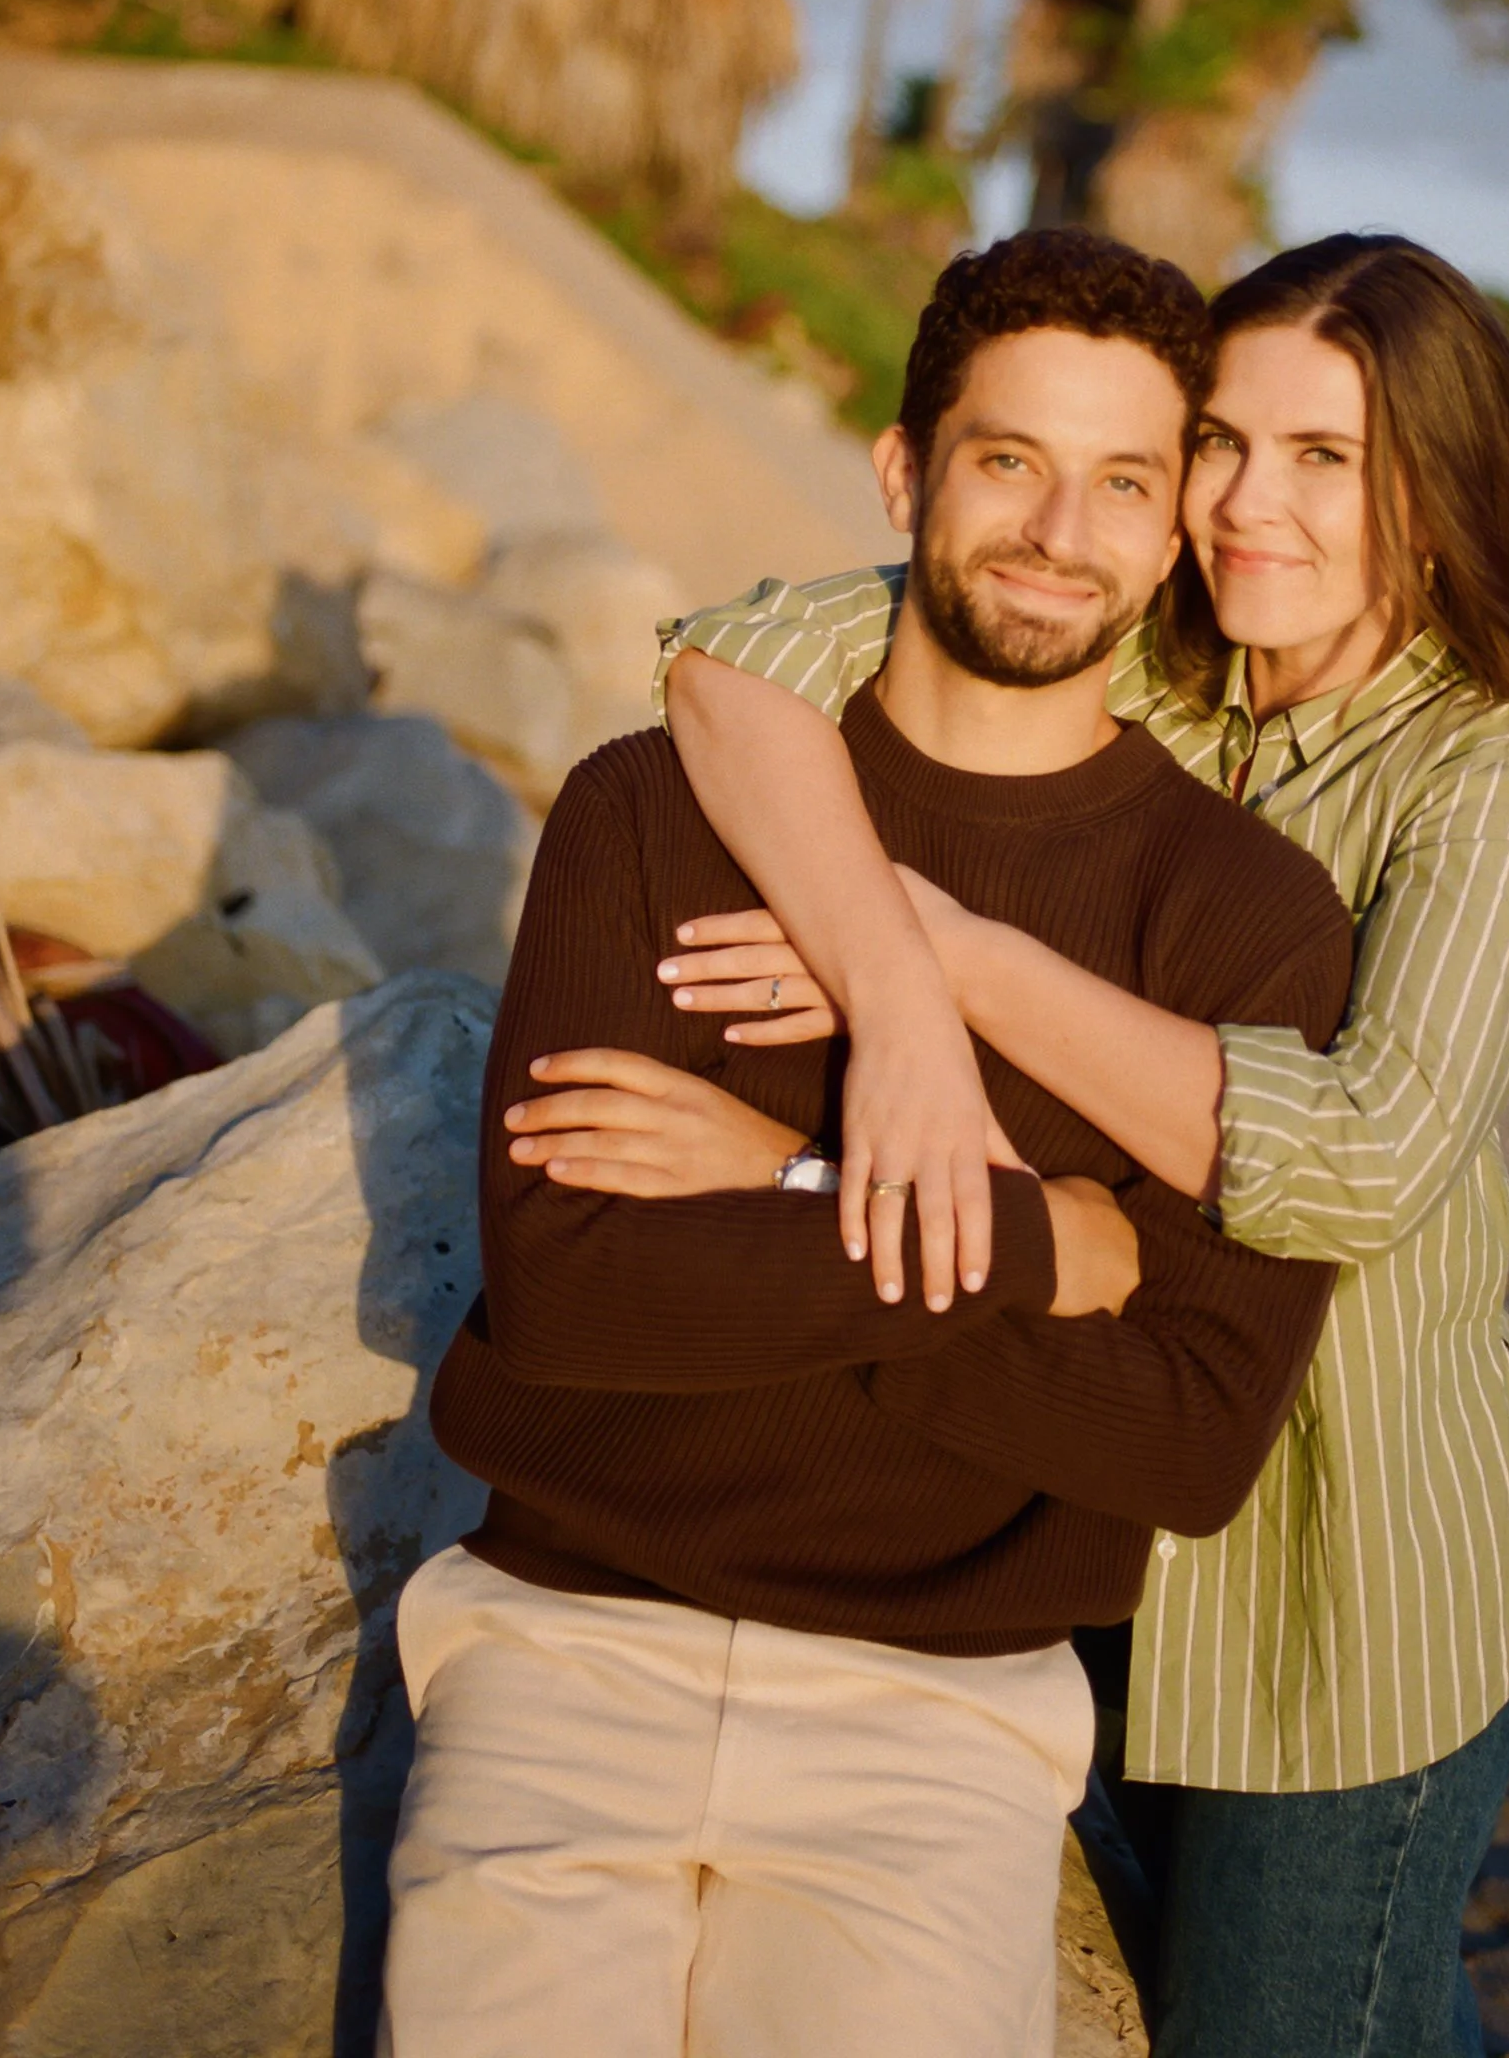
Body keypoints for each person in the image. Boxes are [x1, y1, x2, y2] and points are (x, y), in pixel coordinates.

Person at [640, 232, 1509, 2058]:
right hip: (1090, 1477)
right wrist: (887, 973)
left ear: (1433, 496)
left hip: (1352, 1569)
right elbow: (725, 666)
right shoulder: (1151, 672)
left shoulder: (1489, 779)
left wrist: (946, 961)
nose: (1245, 504)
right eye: (1220, 442)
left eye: (1325, 459)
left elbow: (1351, 1164)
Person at [378, 230, 1356, 2058]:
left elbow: (1186, 1434)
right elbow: (577, 1301)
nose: (1061, 530)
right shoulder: (655, 803)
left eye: (1122, 481)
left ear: (1171, 534)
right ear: (905, 473)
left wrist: (775, 1191)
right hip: (565, 1647)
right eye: (1008, 460)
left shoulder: (1242, 917)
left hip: (937, 1719)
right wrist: (1042, 1243)